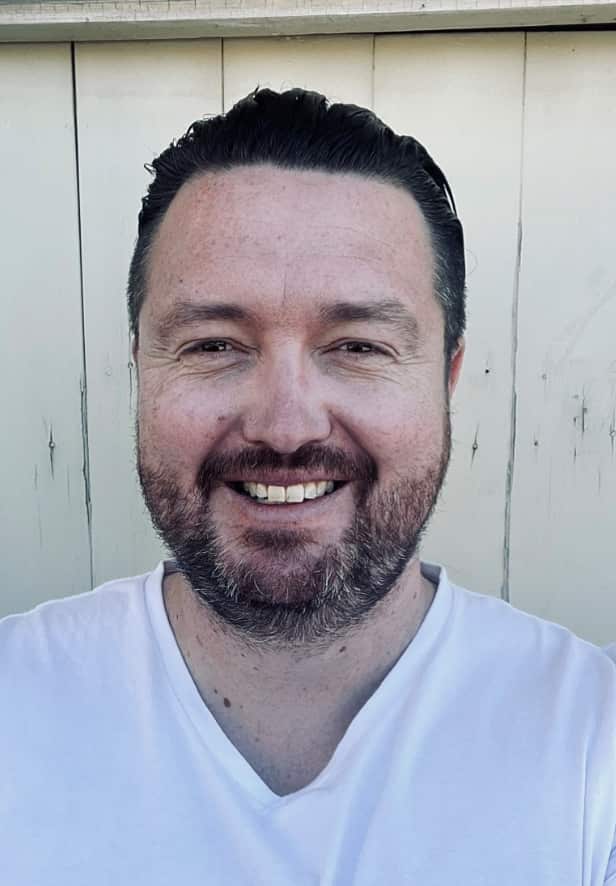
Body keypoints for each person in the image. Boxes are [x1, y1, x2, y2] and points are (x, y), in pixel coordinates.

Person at [2, 87, 614, 885]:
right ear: (141, 369)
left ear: (447, 377)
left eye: (358, 346)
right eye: (214, 344)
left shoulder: (594, 741)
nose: (285, 426)